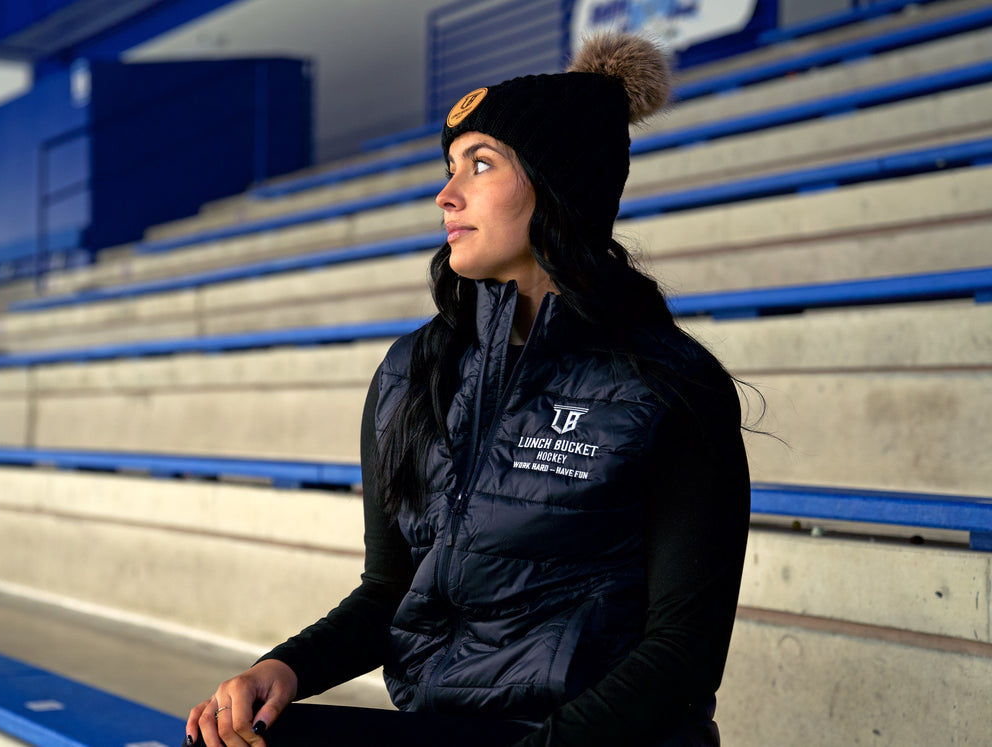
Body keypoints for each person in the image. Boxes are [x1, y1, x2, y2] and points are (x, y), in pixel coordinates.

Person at [186, 32, 751, 747]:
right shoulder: (410, 372)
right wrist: (286, 666)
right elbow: (390, 590)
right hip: (448, 727)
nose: (445, 194)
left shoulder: (669, 385)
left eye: (480, 164)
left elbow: (682, 655)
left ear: (559, 182)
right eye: (450, 166)